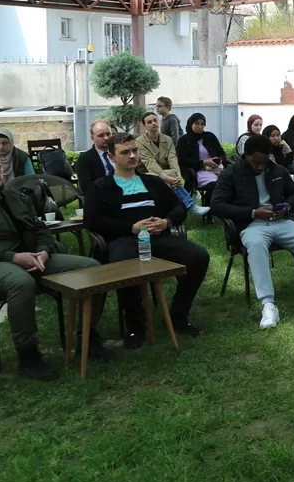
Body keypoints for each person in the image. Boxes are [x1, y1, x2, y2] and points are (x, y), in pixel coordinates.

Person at [0, 148, 111, 380]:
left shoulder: (16, 198)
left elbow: (40, 228)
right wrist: (13, 257)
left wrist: (44, 251)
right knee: (21, 282)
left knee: (92, 267)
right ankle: (28, 355)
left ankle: (87, 337)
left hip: (34, 257)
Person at [83, 133, 210, 347]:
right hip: (124, 239)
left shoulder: (153, 182)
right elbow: (92, 220)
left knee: (198, 257)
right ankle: (135, 324)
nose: (132, 156)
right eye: (125, 152)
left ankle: (178, 315)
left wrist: (167, 222)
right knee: (125, 266)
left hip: (158, 237)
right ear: (112, 157)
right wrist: (130, 227)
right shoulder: (101, 186)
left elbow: (179, 206)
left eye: (134, 150)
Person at [209, 134, 294, 329]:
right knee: (256, 245)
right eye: (256, 162)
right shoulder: (230, 174)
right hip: (250, 224)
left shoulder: (276, 170)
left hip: (281, 220)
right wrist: (253, 212)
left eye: (263, 162)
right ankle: (268, 304)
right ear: (245, 156)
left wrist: (287, 207)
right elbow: (217, 205)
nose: (260, 167)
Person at [136, 111, 208, 216]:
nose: (153, 123)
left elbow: (172, 159)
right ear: (144, 125)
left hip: (166, 173)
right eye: (149, 122)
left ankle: (177, 213)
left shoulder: (167, 139)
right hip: (146, 173)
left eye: (155, 120)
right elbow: (150, 164)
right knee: (167, 179)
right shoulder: (140, 142)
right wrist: (168, 178)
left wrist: (177, 175)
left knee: (172, 178)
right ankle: (189, 206)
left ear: (158, 121)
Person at [176, 112, 228, 204]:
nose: (200, 126)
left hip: (217, 169)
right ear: (190, 123)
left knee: (230, 184)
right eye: (197, 123)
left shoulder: (209, 136)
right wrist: (204, 163)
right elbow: (183, 160)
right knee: (215, 186)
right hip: (199, 171)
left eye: (202, 124)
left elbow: (221, 153)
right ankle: (209, 212)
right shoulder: (184, 141)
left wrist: (219, 160)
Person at [73, 119, 115, 196]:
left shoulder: (120, 153)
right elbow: (86, 187)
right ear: (92, 138)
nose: (106, 138)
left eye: (108, 134)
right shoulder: (85, 159)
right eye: (101, 135)